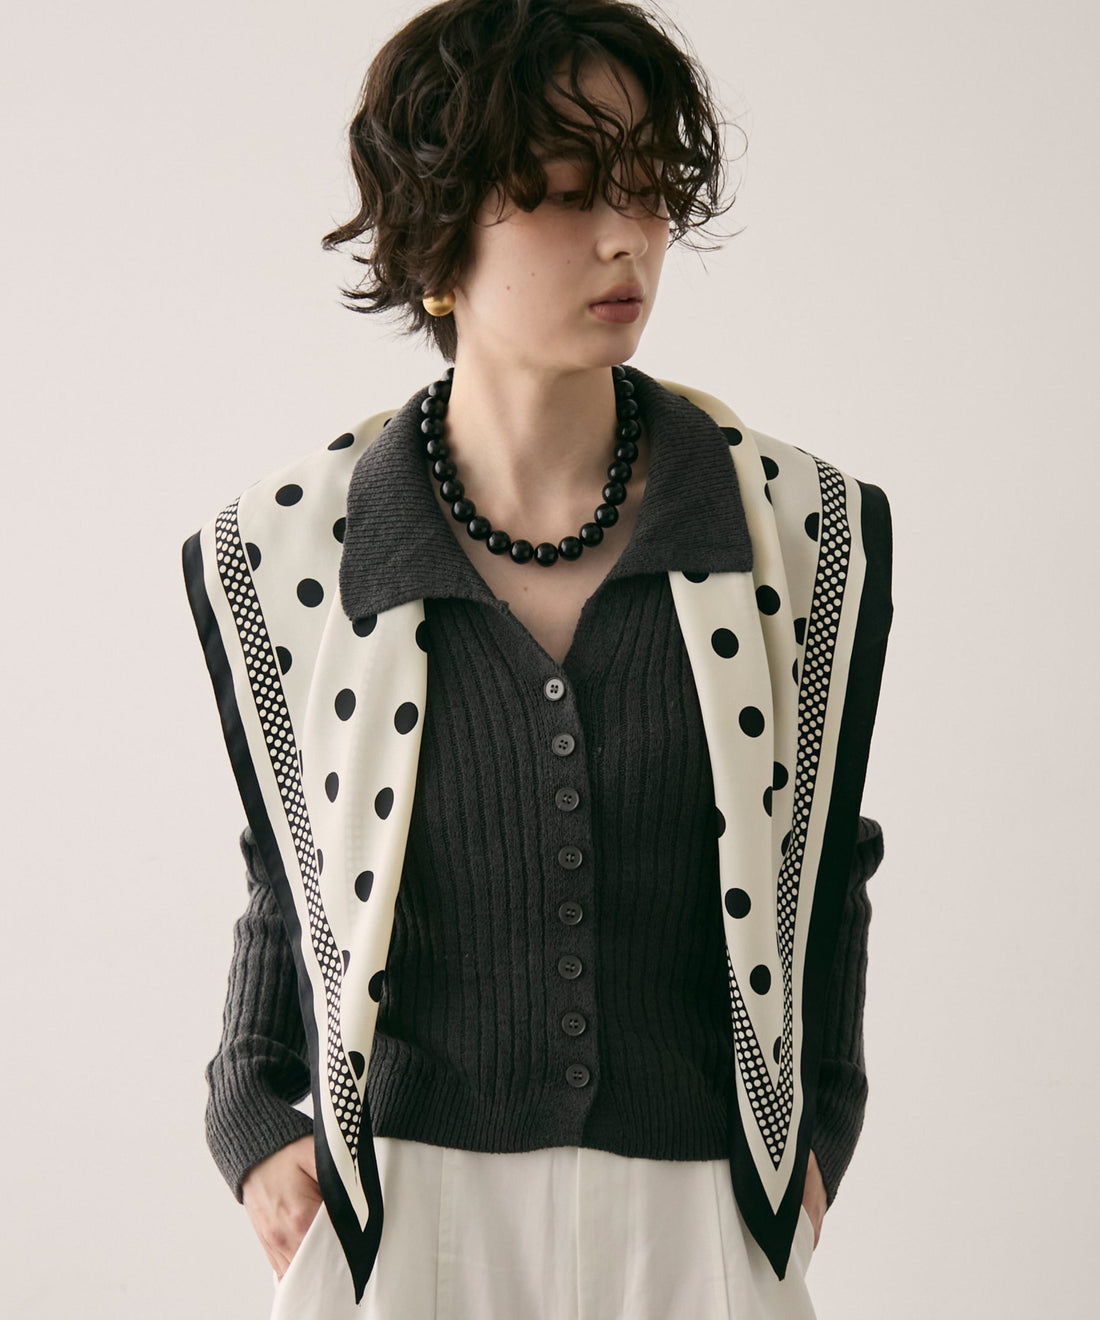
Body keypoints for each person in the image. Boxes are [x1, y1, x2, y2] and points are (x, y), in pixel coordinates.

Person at [182, 1, 893, 1316]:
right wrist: (249, 1102)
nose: (629, 236)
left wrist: (822, 1131)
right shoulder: (289, 549)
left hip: (705, 1214)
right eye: (568, 192)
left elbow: (824, 860)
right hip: (401, 1210)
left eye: (649, 186)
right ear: (438, 227)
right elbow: (295, 860)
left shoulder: (798, 530)